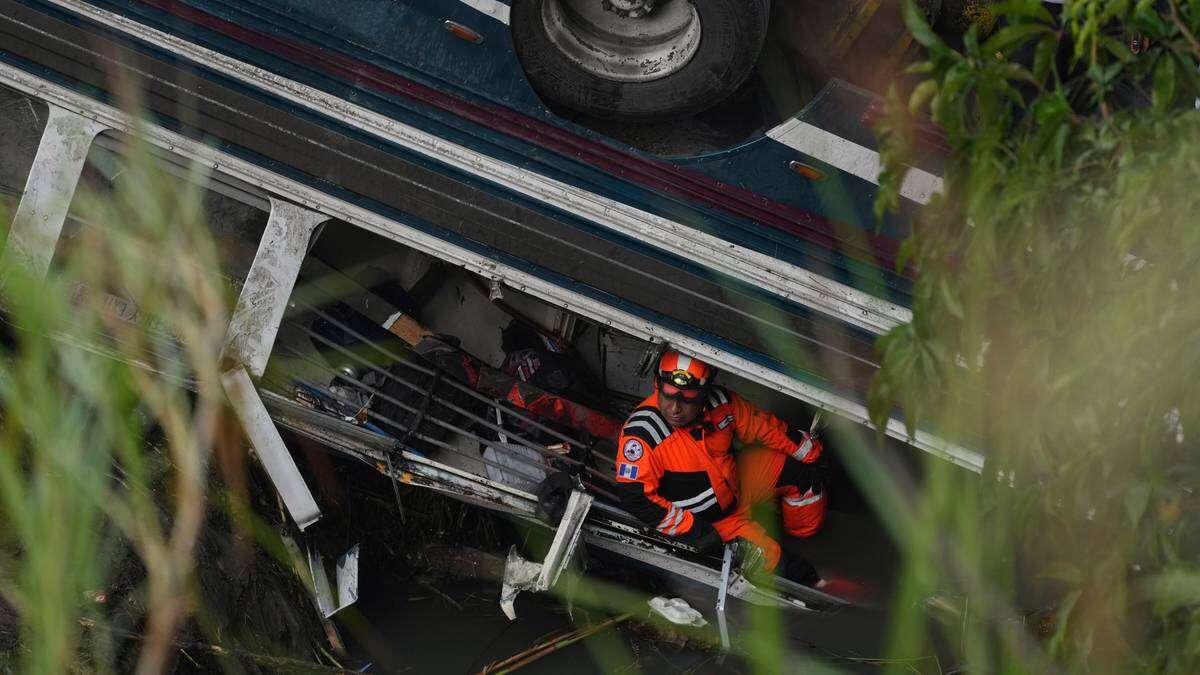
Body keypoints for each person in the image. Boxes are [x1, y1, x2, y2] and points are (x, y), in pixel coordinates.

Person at [613, 349, 828, 585]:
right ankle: (817, 583)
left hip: (738, 486)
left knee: (802, 470)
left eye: (688, 400)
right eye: (668, 396)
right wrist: (696, 531)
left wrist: (811, 452)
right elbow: (635, 498)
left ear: (704, 395)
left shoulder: (721, 404)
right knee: (792, 572)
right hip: (713, 522)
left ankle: (806, 538)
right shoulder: (643, 435)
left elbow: (762, 425)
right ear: (657, 384)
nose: (675, 409)